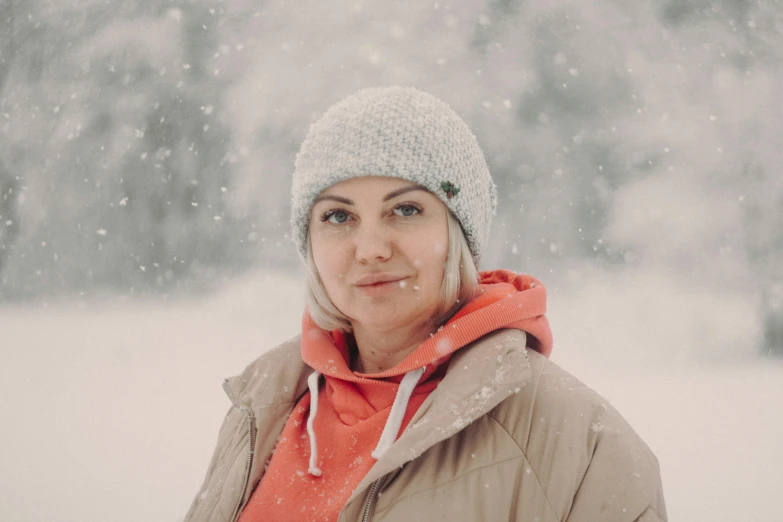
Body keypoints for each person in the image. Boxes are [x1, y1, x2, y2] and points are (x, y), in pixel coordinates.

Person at [184, 87, 667, 522]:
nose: (370, 247)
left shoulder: (576, 441)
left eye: (406, 209)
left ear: (457, 232)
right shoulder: (259, 408)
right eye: (337, 215)